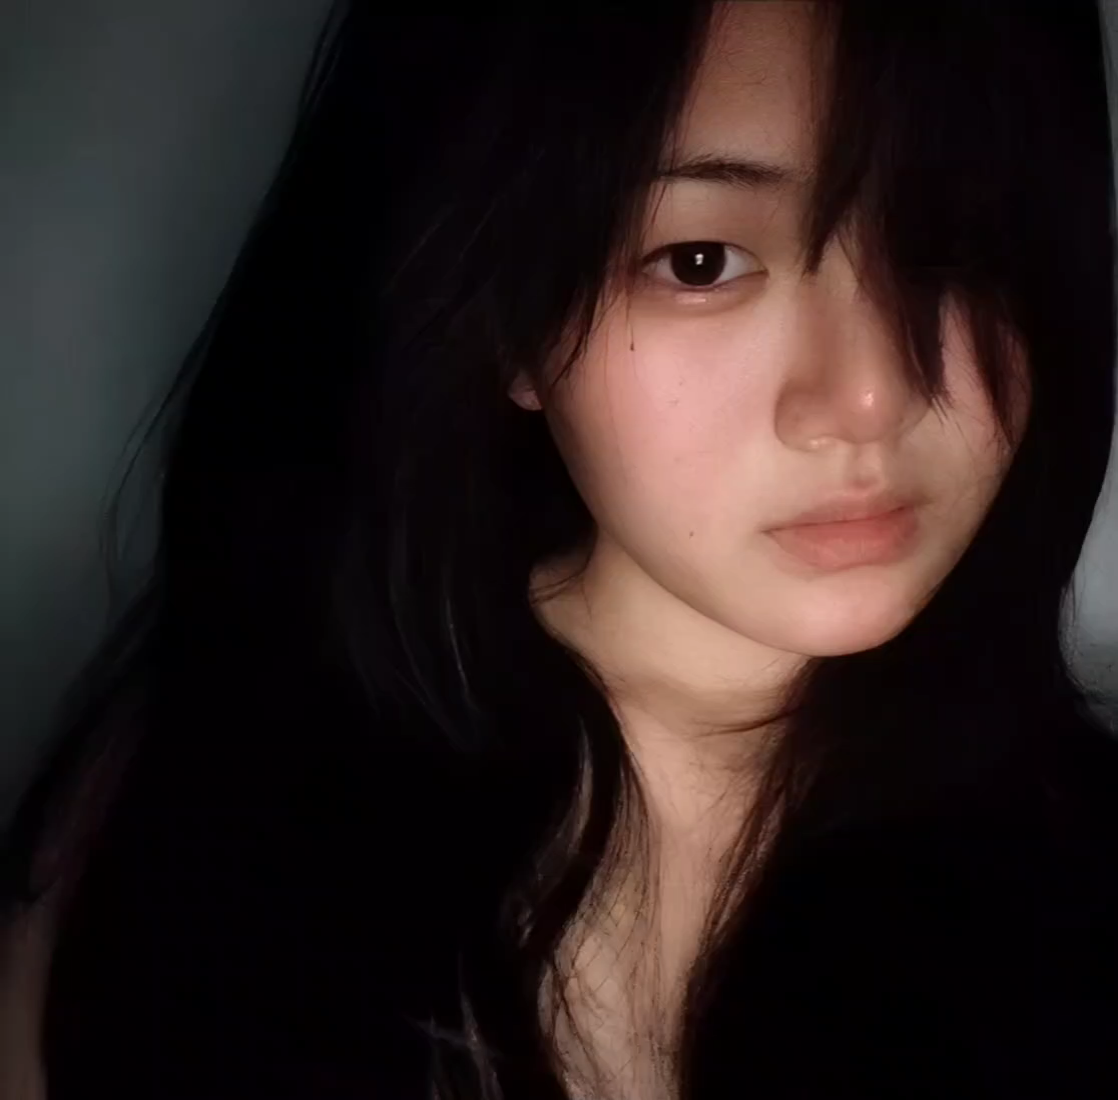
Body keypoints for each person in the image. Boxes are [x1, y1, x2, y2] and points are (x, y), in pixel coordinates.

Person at [2, 3, 1117, 1097]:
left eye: (952, 243)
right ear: (510, 320)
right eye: (698, 261)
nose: (869, 395)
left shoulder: (1072, 860)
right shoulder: (213, 822)